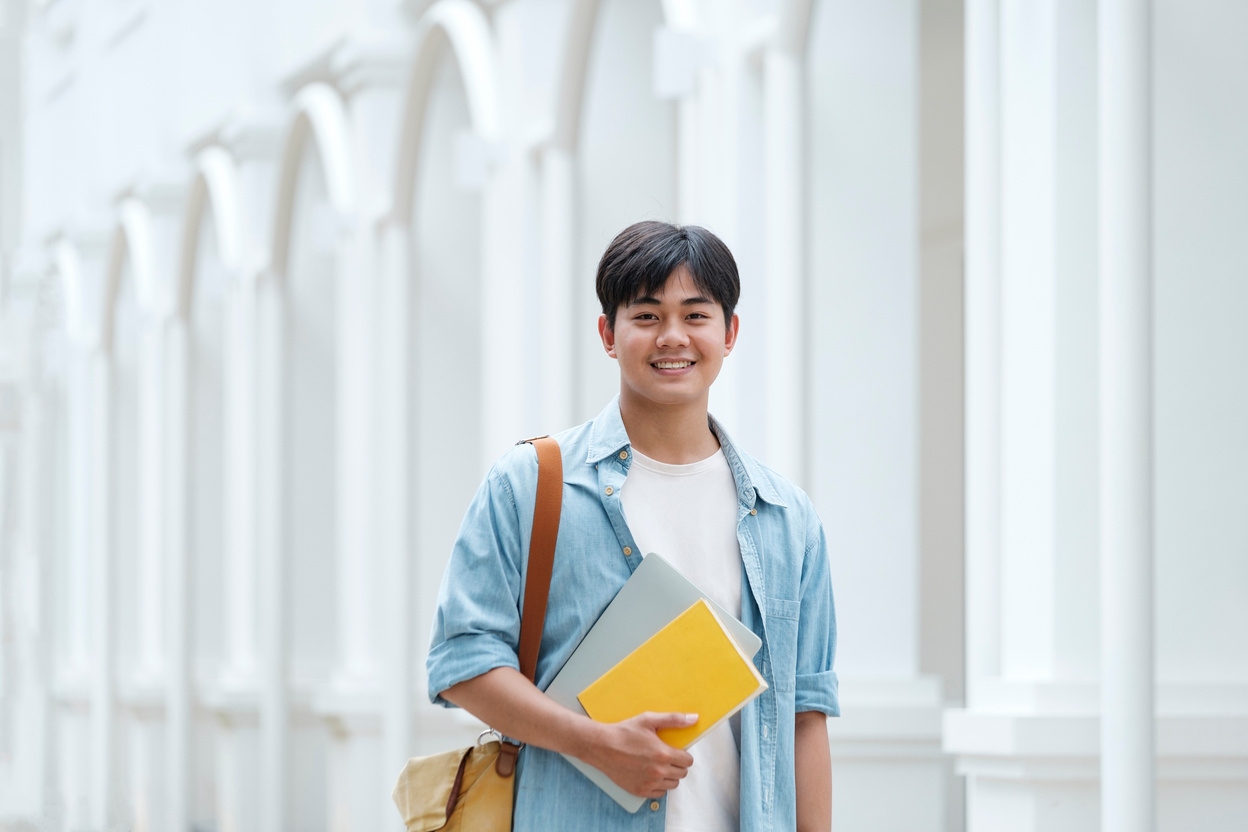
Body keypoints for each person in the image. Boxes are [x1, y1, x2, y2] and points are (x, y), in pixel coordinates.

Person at [426, 221, 839, 831]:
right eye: (646, 315)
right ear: (608, 334)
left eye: (695, 315)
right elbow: (461, 663)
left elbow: (805, 714)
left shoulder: (786, 518)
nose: (673, 337)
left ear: (729, 333)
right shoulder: (532, 484)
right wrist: (595, 742)